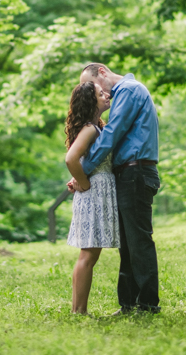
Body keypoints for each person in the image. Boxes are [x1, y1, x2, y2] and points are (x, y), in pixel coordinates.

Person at [71, 62, 161, 315]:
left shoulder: (128, 90)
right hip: (127, 173)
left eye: (95, 86)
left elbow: (111, 135)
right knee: (128, 244)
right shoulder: (124, 93)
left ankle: (147, 305)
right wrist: (80, 173)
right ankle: (129, 304)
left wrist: (83, 172)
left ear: (102, 72)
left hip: (136, 172)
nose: (96, 93)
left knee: (138, 242)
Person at [64, 81, 120, 315]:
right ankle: (79, 311)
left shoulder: (95, 127)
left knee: (89, 254)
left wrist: (81, 177)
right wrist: (83, 181)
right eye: (100, 94)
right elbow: (70, 159)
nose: (106, 95)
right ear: (91, 101)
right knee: (88, 254)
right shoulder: (89, 128)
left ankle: (78, 310)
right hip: (93, 193)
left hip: (96, 191)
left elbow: (84, 161)